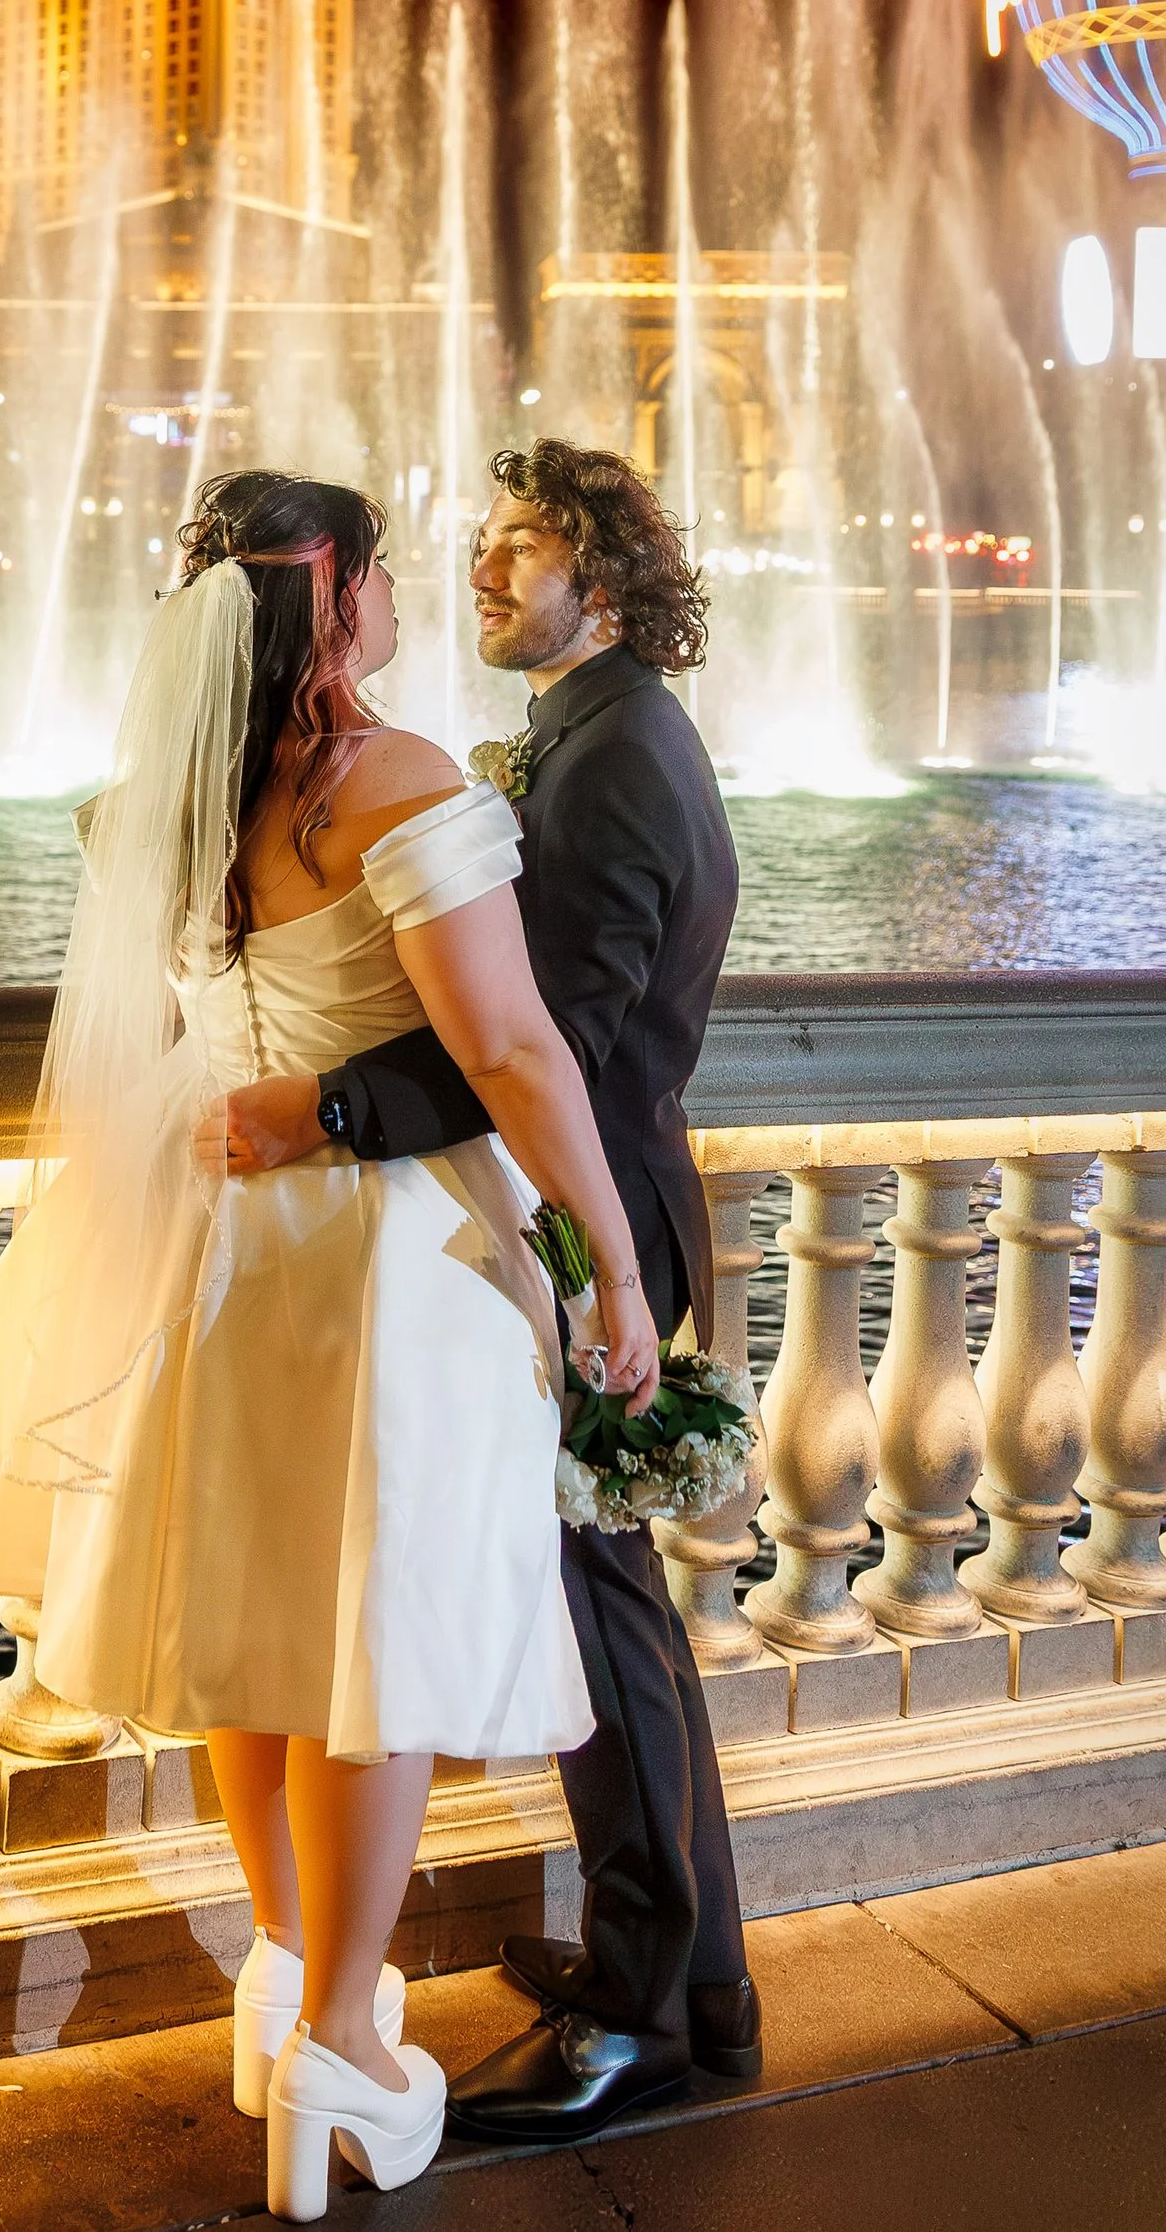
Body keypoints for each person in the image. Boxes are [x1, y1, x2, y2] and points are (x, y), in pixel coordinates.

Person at [0, 469, 661, 2220]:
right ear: (343, 597)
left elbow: (185, 1025)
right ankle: (345, 2050)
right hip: (393, 1265)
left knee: (251, 1618)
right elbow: (522, 1053)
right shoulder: (396, 782)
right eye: (380, 571)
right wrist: (610, 1259)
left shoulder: (165, 800)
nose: (398, 596)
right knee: (369, 1639)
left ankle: (291, 1971)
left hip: (227, 1250)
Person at [206, 439, 755, 2141]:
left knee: (607, 1618)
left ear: (608, 576)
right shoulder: (595, 736)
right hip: (555, 1211)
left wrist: (332, 1102)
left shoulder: (609, 768)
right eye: (486, 543)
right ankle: (692, 1981)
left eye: (526, 548)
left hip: (595, 1229)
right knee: (603, 1603)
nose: (487, 572)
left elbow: (547, 1048)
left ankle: (650, 2010)